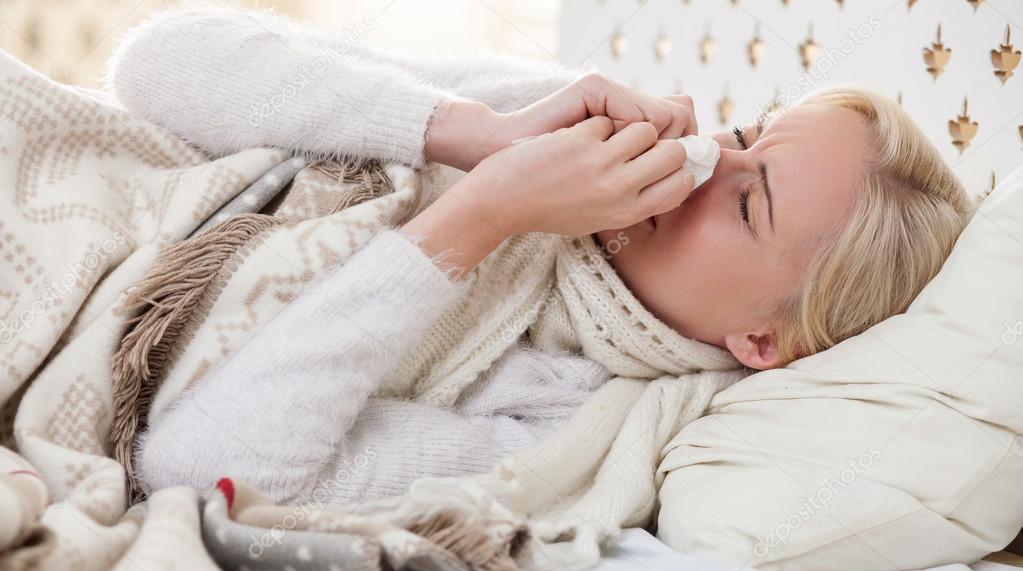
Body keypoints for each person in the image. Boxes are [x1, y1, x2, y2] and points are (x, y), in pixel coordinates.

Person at [105, 6, 975, 506]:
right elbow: (153, 65)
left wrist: (479, 219)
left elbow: (203, 472)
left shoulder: (567, 425)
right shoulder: (537, 117)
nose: (705, 159)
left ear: (763, 340)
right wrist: (474, 136)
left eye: (749, 202)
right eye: (745, 133)